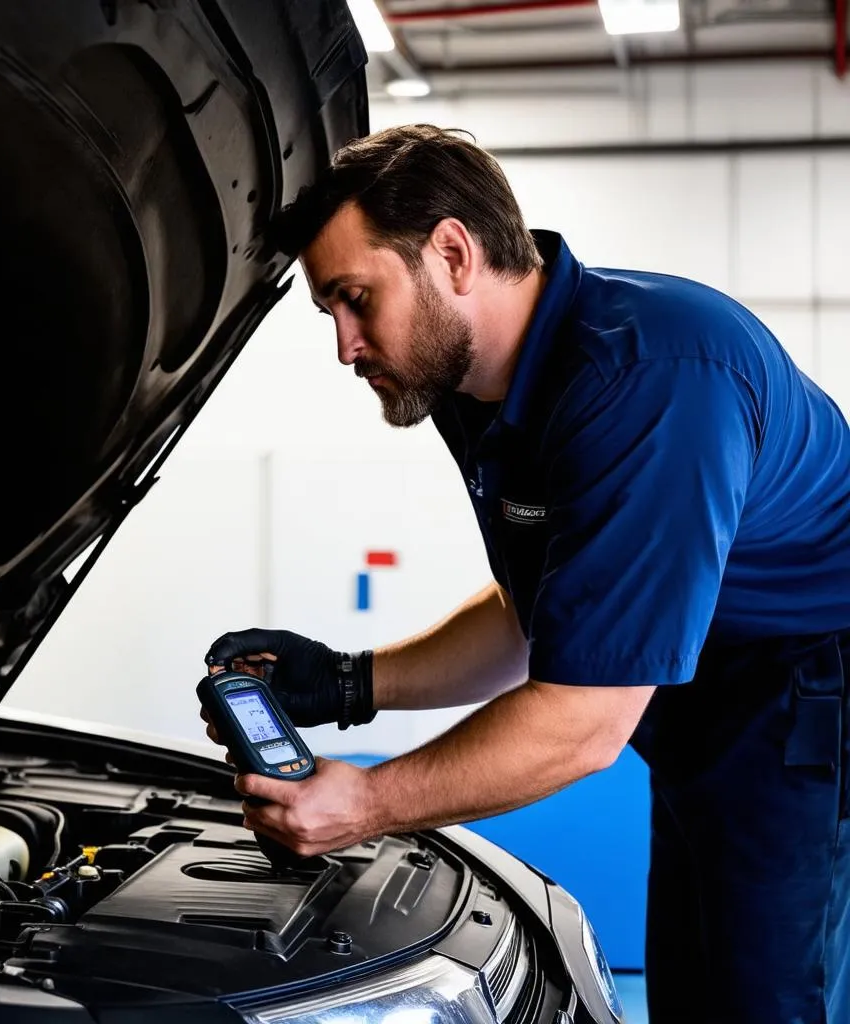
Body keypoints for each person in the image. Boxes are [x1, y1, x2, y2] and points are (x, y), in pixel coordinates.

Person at [199, 125, 850, 1023]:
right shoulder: (474, 387)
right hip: (700, 706)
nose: (346, 347)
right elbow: (539, 617)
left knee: (762, 1002)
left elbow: (582, 722)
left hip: (803, 705)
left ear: (454, 254)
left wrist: (370, 802)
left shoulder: (649, 381)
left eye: (356, 300)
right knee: (697, 996)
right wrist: (349, 680)